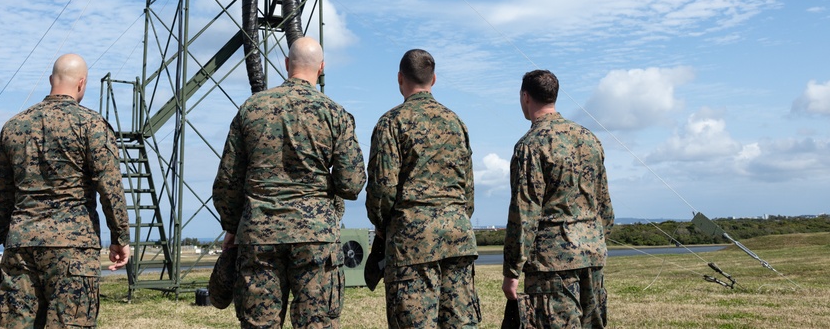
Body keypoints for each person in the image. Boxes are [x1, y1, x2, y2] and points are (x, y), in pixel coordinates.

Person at [212, 36, 366, 329]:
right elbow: (352, 182)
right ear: (321, 67)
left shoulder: (251, 109)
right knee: (317, 323)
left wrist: (232, 227)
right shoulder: (334, 113)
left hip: (259, 234)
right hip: (315, 237)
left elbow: (228, 180)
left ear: (286, 64)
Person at [0, 53, 130, 328]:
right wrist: (119, 237)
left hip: (21, 245)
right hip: (73, 251)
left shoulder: (14, 126)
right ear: (81, 83)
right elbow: (109, 186)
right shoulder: (91, 125)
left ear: (52, 80)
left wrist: (12, 234)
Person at [366, 49, 480, 329]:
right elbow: (468, 188)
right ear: (434, 79)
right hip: (458, 237)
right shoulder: (456, 122)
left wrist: (383, 227)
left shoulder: (392, 122)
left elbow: (383, 189)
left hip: (412, 244)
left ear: (400, 79)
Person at [502, 69, 614, 329]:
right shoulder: (589, 139)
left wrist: (511, 270)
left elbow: (524, 212)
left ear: (525, 96)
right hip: (592, 254)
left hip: (551, 263)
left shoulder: (531, 145)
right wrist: (594, 240)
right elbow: (604, 204)